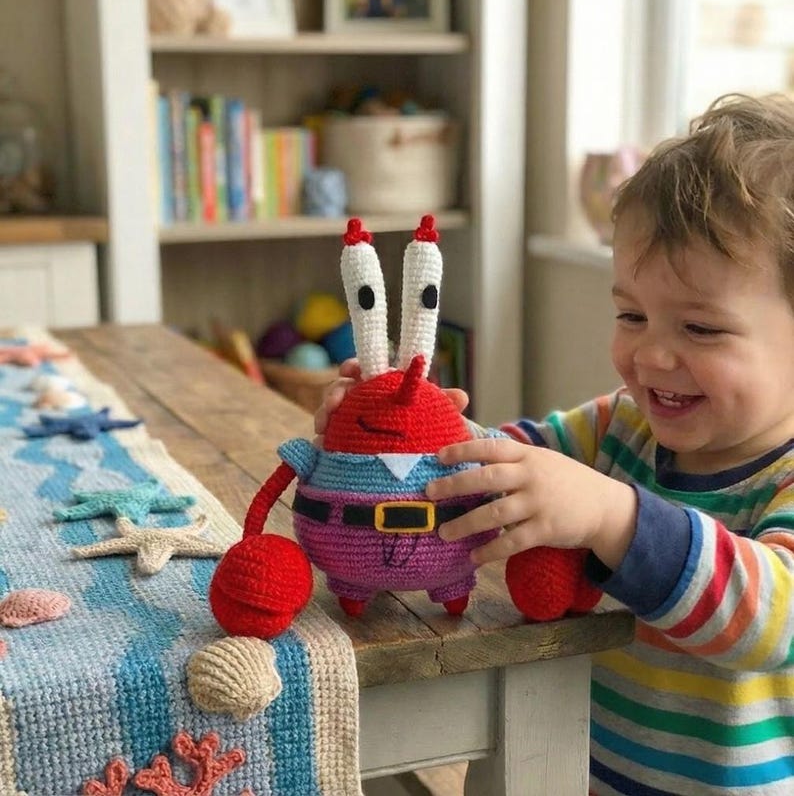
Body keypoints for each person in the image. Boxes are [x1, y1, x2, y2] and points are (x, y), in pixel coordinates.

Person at [316, 93, 794, 794]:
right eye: (631, 313)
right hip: (572, 769)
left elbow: (771, 621)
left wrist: (611, 516)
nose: (652, 355)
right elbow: (497, 466)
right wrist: (391, 432)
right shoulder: (618, 425)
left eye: (701, 329)